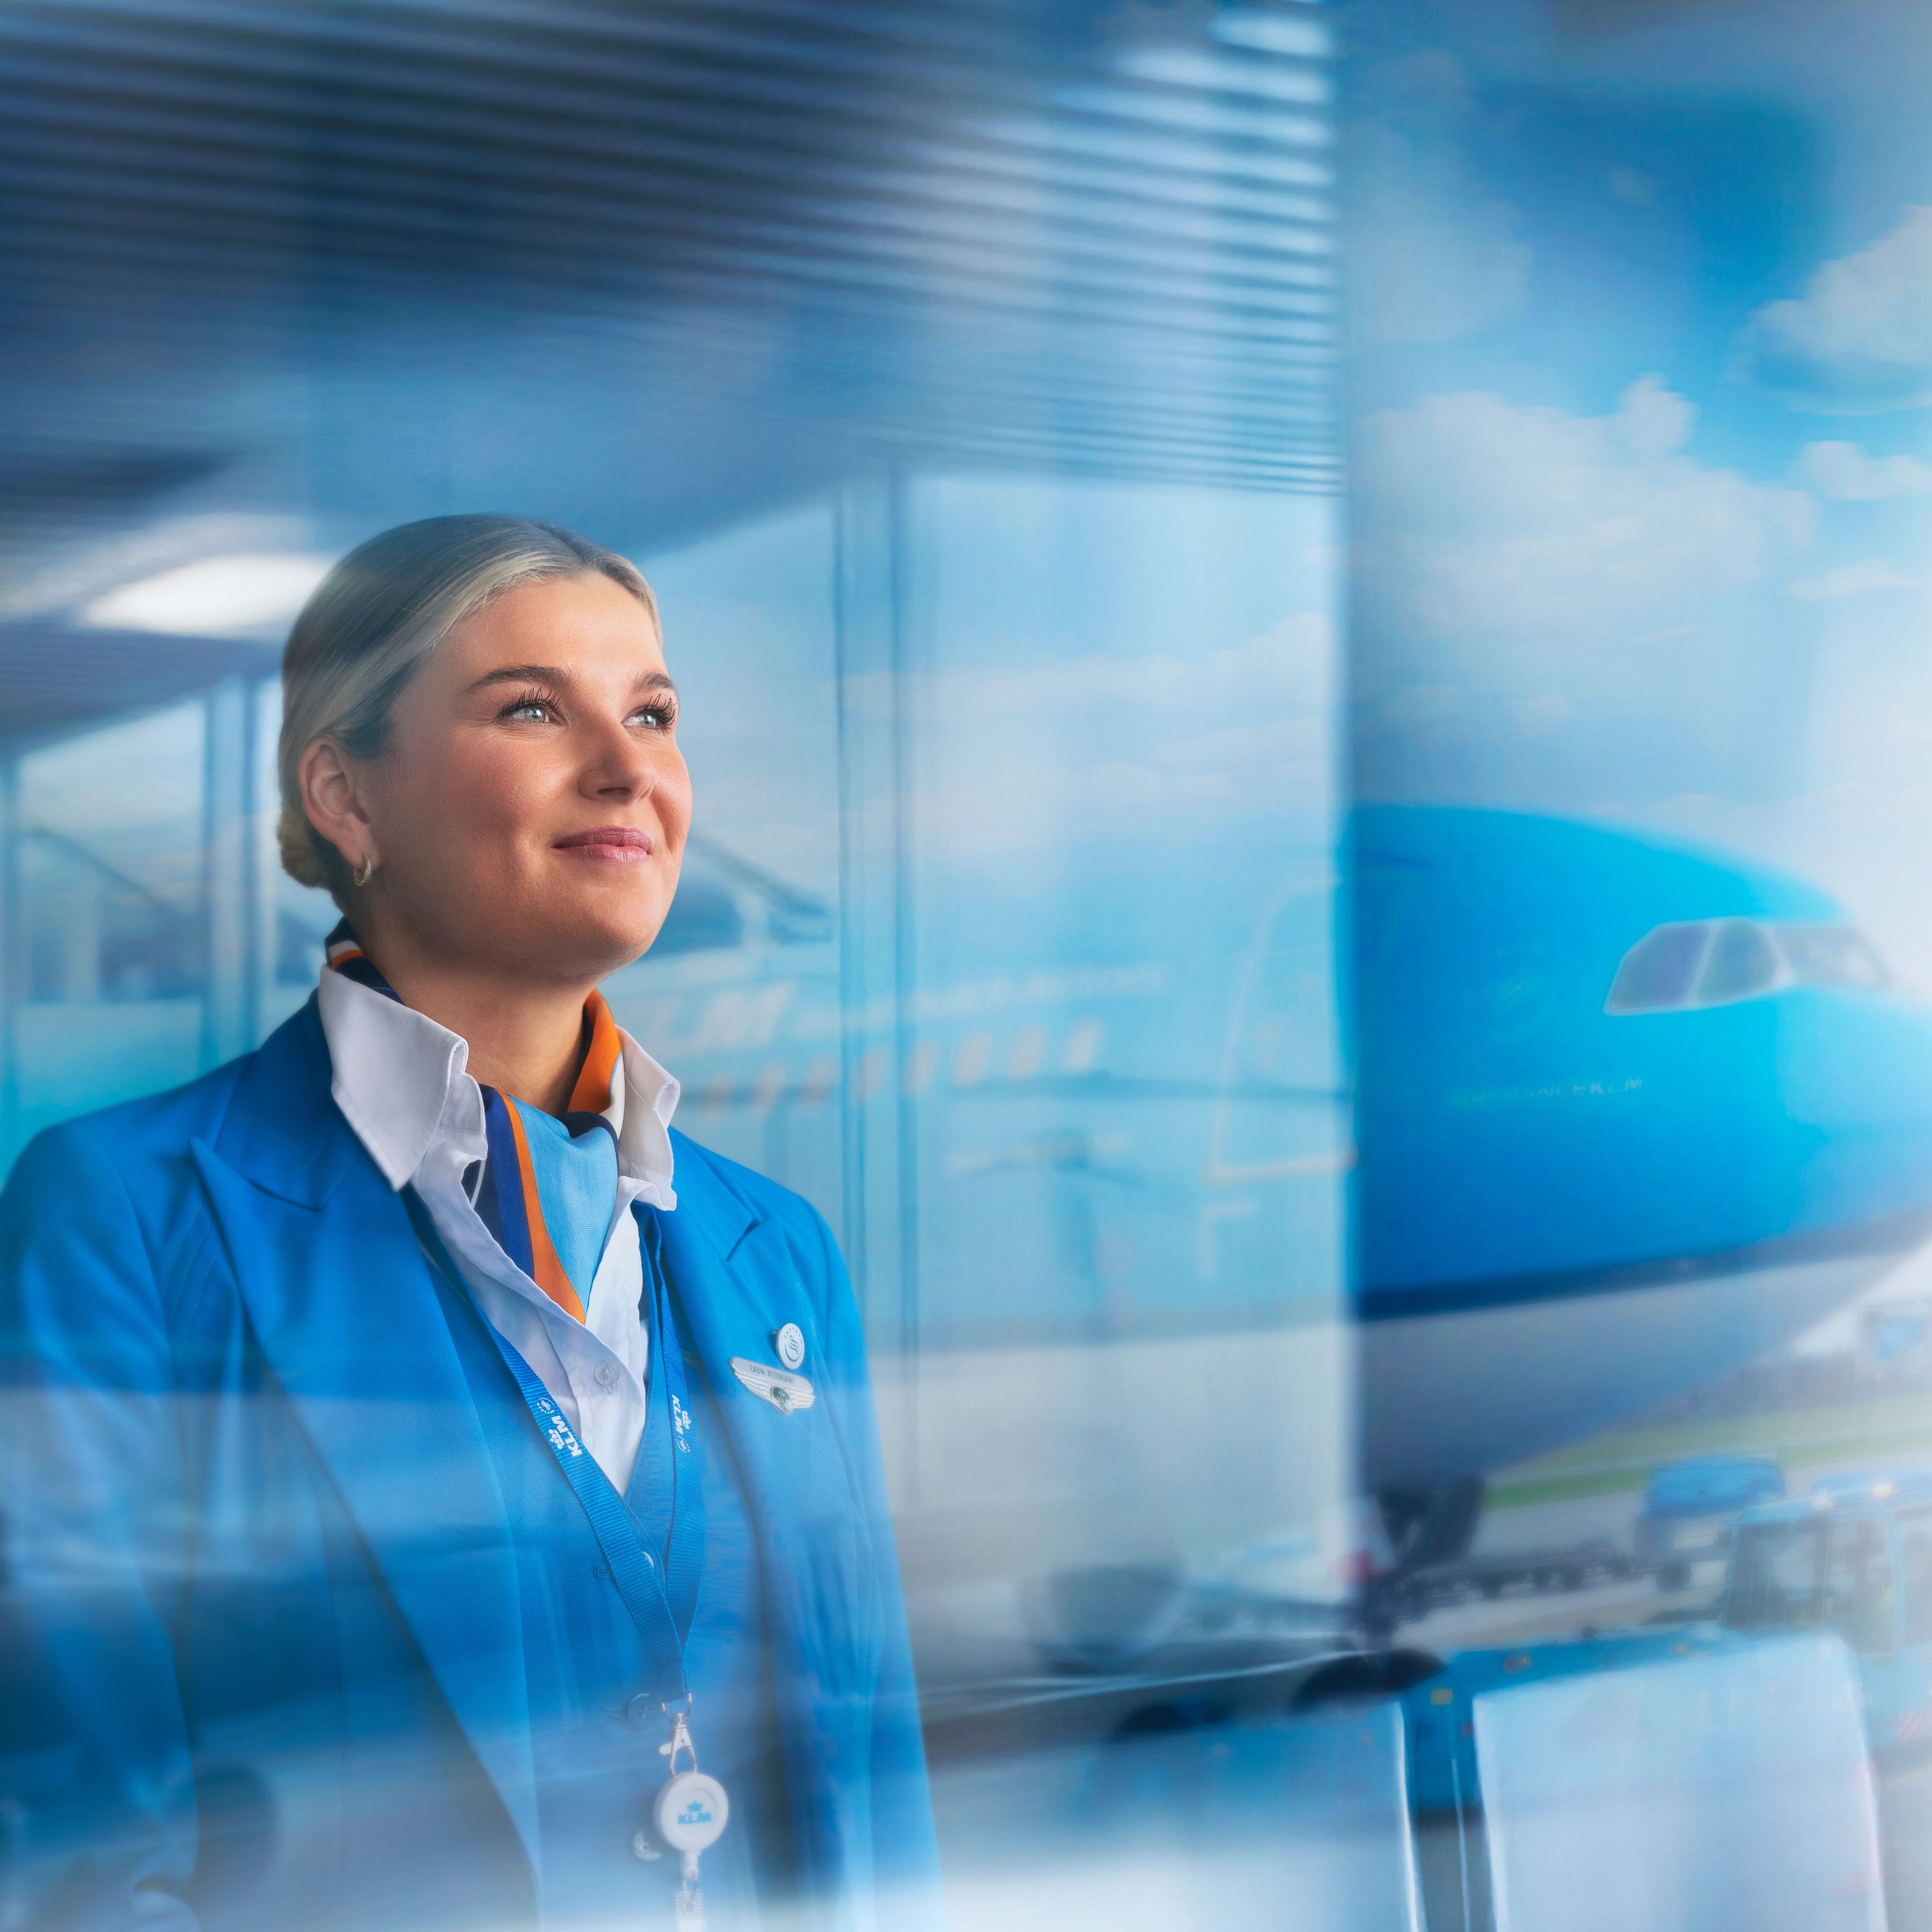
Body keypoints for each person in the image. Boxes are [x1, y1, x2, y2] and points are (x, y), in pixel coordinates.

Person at [0, 516, 940, 1932]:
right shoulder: (126, 1218)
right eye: (532, 708)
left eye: (654, 713)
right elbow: (79, 1846)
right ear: (347, 795)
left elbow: (865, 1792)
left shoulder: (775, 1247)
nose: (629, 769)